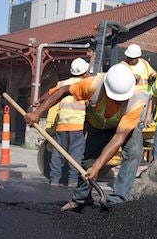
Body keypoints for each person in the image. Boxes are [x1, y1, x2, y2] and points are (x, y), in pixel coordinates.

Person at [25, 63, 146, 211]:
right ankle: (81, 199)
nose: (117, 102)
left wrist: (97, 167)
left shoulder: (136, 101)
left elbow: (118, 138)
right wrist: (37, 113)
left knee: (133, 153)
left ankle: (117, 201)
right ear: (106, 88)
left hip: (122, 128)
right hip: (97, 124)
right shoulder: (92, 84)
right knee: (88, 162)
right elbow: (63, 91)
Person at [43, 57, 90, 188]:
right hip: (77, 126)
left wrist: (37, 102)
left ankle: (54, 179)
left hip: (62, 125)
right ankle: (72, 181)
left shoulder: (62, 84)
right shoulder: (85, 85)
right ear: (84, 72)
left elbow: (49, 94)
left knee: (58, 153)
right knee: (75, 155)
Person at [121, 43, 157, 129]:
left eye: (132, 58)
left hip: (145, 96)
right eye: (128, 57)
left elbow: (154, 73)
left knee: (143, 119)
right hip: (131, 97)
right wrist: (132, 78)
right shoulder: (123, 65)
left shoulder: (144, 63)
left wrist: (153, 76)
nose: (129, 59)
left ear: (137, 57)